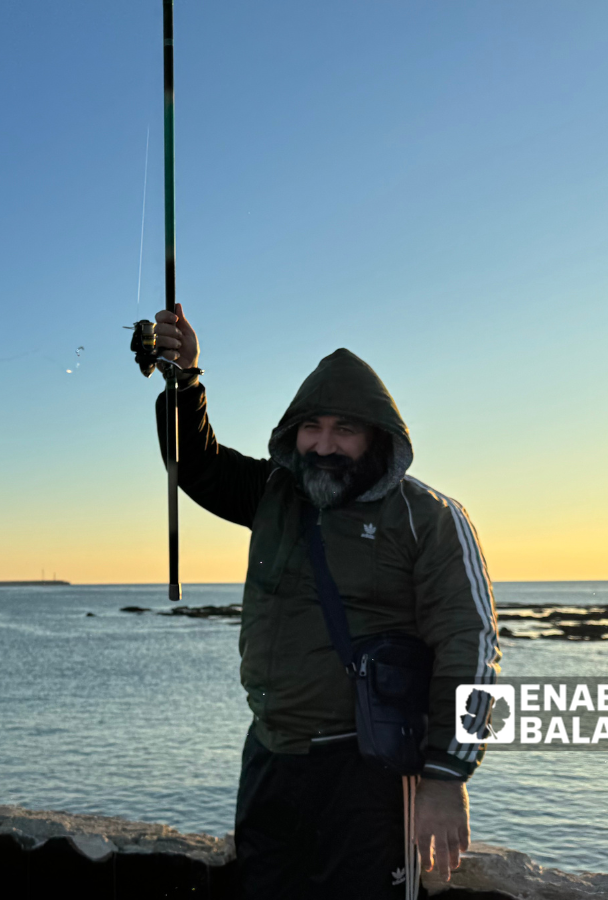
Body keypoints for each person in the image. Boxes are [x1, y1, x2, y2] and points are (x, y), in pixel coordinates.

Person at [151, 305, 499, 899]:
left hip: (368, 774)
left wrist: (445, 777)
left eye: (345, 429)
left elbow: (471, 647)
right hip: (269, 757)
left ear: (376, 438)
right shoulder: (274, 495)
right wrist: (185, 379)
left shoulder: (429, 518)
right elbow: (197, 465)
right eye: (312, 427)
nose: (324, 445)